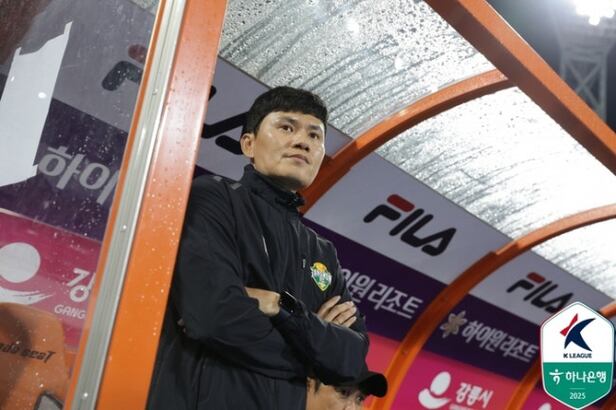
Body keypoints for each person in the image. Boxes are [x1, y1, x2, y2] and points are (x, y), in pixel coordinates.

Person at [147, 87, 369, 409]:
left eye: (314, 135)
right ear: (248, 144)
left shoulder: (322, 251)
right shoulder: (214, 197)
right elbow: (212, 317)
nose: (303, 141)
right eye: (286, 127)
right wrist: (310, 356)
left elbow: (350, 361)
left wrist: (281, 308)